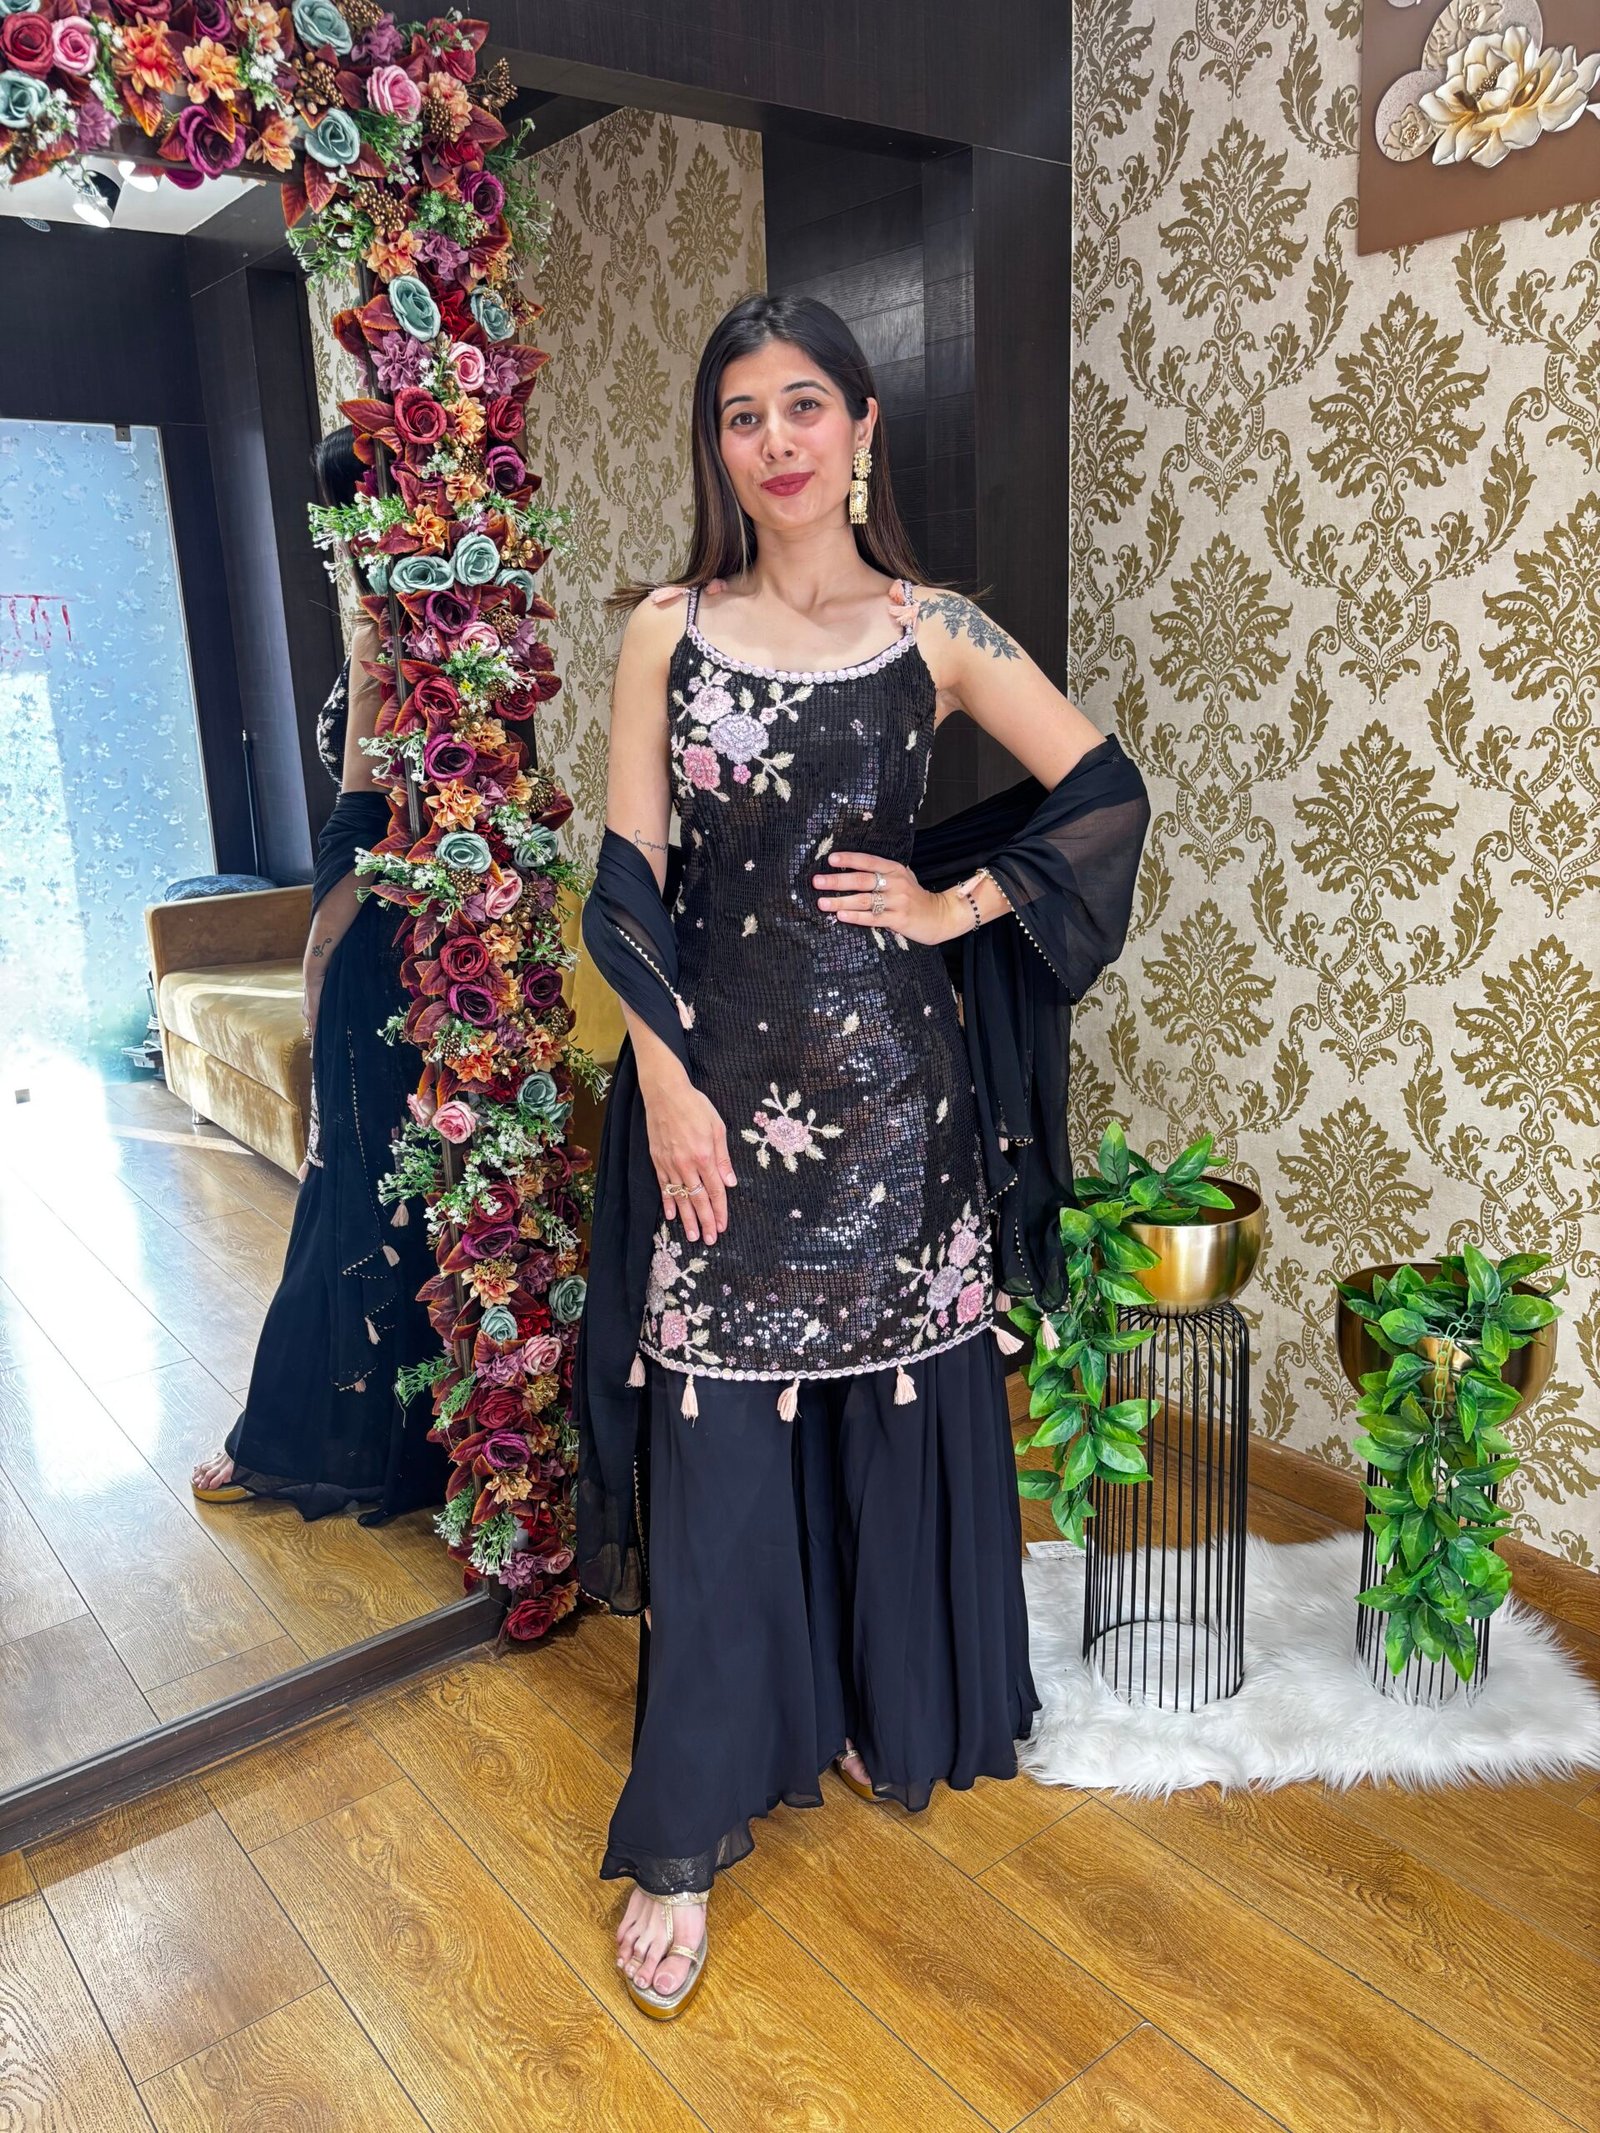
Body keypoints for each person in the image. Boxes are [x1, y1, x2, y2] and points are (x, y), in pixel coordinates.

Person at [575, 293, 1150, 2017]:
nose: (775, 440)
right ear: (718, 445)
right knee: (719, 1449)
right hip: (717, 1106)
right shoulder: (668, 630)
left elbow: (1103, 790)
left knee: (886, 1419)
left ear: (865, 424)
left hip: (900, 1105)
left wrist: (951, 903)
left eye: (804, 404)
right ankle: (685, 1833)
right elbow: (628, 881)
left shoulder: (935, 628)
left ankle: (875, 1705)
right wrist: (664, 1085)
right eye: (742, 413)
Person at [190, 427, 447, 1525]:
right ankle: (398, 1437)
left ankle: (302, 1439)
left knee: (356, 1188)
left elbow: (362, 824)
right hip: (421, 947)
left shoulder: (397, 642)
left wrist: (315, 968)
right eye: (342, 512)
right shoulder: (427, 631)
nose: (348, 536)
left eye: (359, 507)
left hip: (382, 945)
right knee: (391, 1185)